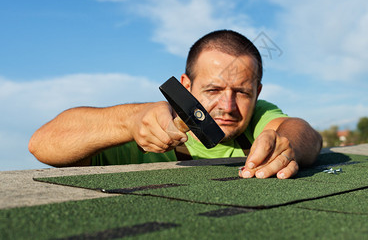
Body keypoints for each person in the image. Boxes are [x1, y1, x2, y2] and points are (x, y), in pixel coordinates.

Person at [29, 30, 322, 179]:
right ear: (186, 86)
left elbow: (304, 132)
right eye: (213, 89)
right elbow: (41, 144)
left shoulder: (258, 117)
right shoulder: (145, 126)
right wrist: (130, 121)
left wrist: (287, 145)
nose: (228, 105)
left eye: (242, 92)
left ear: (257, 92)